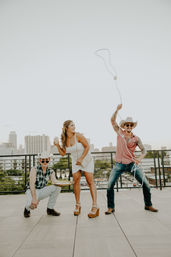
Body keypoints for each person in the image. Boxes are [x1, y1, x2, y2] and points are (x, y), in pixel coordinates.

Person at [105, 104, 158, 214]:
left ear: (133, 126)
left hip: (132, 164)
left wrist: (139, 159)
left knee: (146, 184)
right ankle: (111, 207)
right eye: (127, 125)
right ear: (124, 126)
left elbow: (144, 151)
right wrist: (116, 110)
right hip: (119, 164)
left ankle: (148, 205)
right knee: (110, 185)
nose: (129, 126)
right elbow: (112, 120)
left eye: (130, 125)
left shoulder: (136, 138)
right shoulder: (120, 132)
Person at [54, 120, 99, 218]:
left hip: (86, 159)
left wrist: (81, 158)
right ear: (66, 128)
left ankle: (95, 206)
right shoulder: (64, 139)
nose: (74, 127)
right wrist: (57, 145)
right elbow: (63, 153)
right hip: (75, 161)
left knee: (89, 181)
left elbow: (87, 147)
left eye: (74, 125)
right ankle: (78, 205)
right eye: (72, 125)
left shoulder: (78, 136)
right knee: (76, 181)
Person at [24, 151, 61, 218]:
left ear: (49, 160)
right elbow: (32, 184)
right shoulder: (34, 169)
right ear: (40, 160)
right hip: (32, 190)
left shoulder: (51, 171)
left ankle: (50, 209)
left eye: (46, 161)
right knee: (31, 205)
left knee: (57, 187)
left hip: (42, 190)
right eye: (43, 160)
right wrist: (34, 198)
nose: (44, 162)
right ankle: (26, 210)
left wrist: (67, 182)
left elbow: (55, 182)